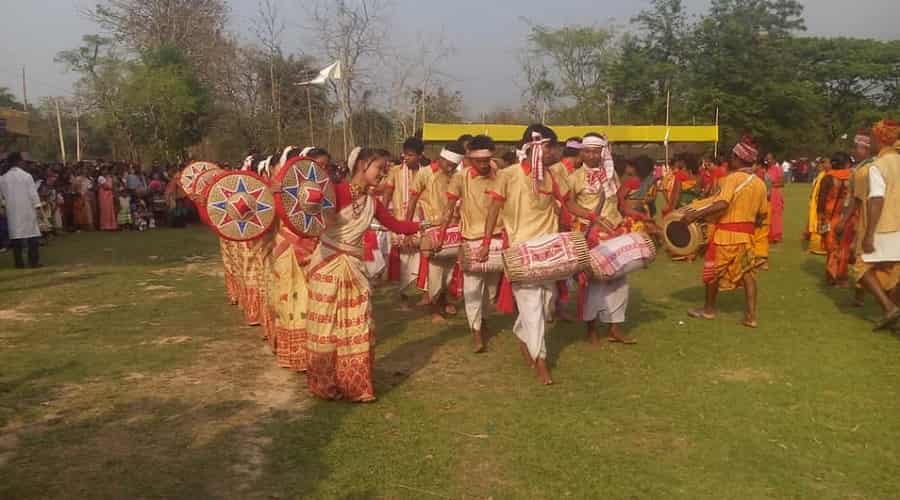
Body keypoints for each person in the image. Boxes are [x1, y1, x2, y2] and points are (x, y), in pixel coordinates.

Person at [479, 124, 599, 385]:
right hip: (521, 252)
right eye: (548, 146)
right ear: (534, 147)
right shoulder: (509, 175)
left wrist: (591, 215)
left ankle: (523, 335)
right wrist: (487, 243)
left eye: (552, 147)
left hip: (549, 251)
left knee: (546, 304)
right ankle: (541, 361)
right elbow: (493, 210)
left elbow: (568, 204)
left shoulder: (552, 176)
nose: (552, 151)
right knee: (532, 306)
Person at [305, 147, 424, 402]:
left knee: (359, 323)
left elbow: (397, 225)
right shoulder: (333, 193)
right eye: (379, 168)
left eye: (385, 170)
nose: (383, 174)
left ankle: (355, 385)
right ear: (362, 164)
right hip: (327, 264)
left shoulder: (372, 203)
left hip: (354, 269)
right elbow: (310, 217)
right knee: (326, 325)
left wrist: (427, 224)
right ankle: (325, 383)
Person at [685, 135, 769, 328]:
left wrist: (696, 215)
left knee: (713, 273)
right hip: (747, 237)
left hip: (726, 236)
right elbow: (762, 215)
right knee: (748, 275)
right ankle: (751, 316)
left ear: (737, 159)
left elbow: (722, 203)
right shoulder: (760, 183)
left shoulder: (731, 179)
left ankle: (708, 310)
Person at [563, 133, 639, 346]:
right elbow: (569, 205)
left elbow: (618, 201)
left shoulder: (611, 174)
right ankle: (591, 328)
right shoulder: (575, 177)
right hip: (591, 234)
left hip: (614, 231)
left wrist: (632, 217)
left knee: (619, 279)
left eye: (596, 151)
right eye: (587, 151)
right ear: (582, 152)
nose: (592, 155)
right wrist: (591, 217)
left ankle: (615, 327)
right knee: (593, 281)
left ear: (602, 152)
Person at [436, 135, 502, 352]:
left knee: (491, 291)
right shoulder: (460, 178)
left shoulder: (501, 176)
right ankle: (476, 331)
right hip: (470, 240)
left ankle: (483, 320)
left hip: (498, 239)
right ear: (469, 159)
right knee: (473, 289)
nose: (483, 164)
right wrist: (441, 234)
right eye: (478, 161)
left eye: (487, 160)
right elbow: (449, 208)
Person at [407, 142, 465, 323]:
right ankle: (436, 310)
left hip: (453, 229)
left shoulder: (458, 176)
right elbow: (413, 200)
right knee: (435, 272)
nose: (451, 168)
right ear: (442, 158)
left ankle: (443, 302)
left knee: (448, 272)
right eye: (449, 164)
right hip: (431, 228)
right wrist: (407, 229)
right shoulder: (425, 173)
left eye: (454, 166)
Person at [858, 120, 900, 330]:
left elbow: (876, 198)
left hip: (885, 226)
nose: (871, 142)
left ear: (880, 139)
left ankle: (889, 307)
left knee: (861, 267)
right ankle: (892, 309)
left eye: (872, 138)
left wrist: (869, 234)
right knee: (896, 269)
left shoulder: (878, 166)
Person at [382, 137, 424, 308]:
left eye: (411, 155)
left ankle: (426, 293)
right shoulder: (395, 171)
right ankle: (402, 295)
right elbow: (387, 193)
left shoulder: (426, 172)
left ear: (420, 156)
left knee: (421, 257)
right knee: (402, 261)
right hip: (399, 219)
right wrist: (382, 214)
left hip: (420, 221)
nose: (406, 158)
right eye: (405, 154)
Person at [836, 131, 875, 306]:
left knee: (861, 258)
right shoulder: (865, 167)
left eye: (857, 147)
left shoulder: (864, 170)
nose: (854, 150)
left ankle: (862, 297)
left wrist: (843, 220)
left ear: (866, 149)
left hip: (864, 217)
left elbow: (855, 199)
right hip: (865, 216)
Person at [0, 153, 42, 268]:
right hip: (27, 209)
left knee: (16, 237)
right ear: (18, 161)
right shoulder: (26, 176)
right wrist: (38, 206)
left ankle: (19, 263)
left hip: (12, 211)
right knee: (32, 235)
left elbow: (1, 196)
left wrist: (3, 207)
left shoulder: (3, 178)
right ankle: (33, 261)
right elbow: (33, 193)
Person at [818, 152, 853, 285]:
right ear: (846, 163)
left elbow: (821, 199)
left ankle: (832, 276)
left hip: (830, 217)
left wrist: (820, 218)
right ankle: (842, 276)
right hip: (848, 217)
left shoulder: (828, 178)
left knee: (832, 247)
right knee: (844, 247)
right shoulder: (852, 177)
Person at [804, 157, 830, 255]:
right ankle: (815, 246)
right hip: (815, 204)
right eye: (821, 163)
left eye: (824, 163)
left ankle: (821, 247)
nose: (822, 165)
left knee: (819, 225)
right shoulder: (821, 175)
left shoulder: (828, 176)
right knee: (814, 224)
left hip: (822, 204)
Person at [765, 153, 784, 243]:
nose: (768, 160)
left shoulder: (777, 169)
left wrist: (771, 185)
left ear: (774, 160)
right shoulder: (765, 169)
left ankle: (776, 235)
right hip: (766, 193)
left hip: (775, 193)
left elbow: (781, 183)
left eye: (770, 159)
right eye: (767, 159)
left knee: (776, 215)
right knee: (767, 213)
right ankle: (768, 234)